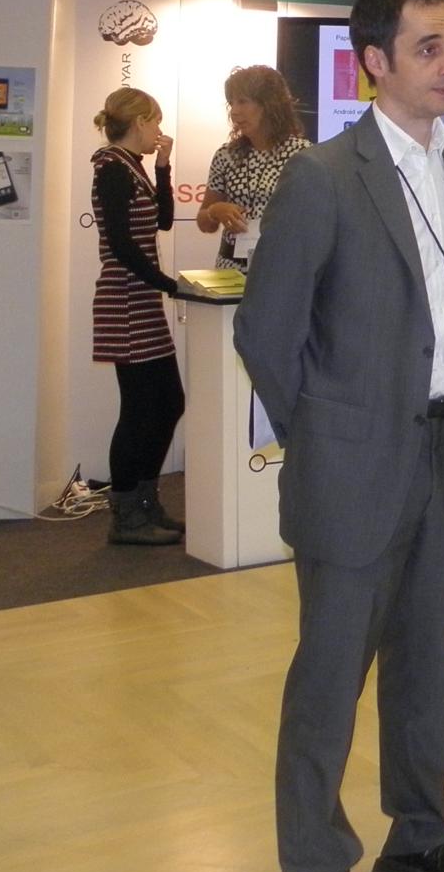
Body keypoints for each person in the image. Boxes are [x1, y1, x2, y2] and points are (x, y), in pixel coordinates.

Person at [235, 0, 444, 872]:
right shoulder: (321, 177)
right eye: (428, 46)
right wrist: (324, 436)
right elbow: (265, 332)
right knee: (330, 674)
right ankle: (315, 867)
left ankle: (420, 837)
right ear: (375, 63)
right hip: (351, 465)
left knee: (426, 658)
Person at [90, 87, 186, 547]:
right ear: (140, 122)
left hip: (141, 299)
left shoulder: (133, 165)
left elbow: (162, 220)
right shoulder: (111, 167)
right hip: (125, 301)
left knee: (167, 402)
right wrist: (169, 284)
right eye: (156, 122)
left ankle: (146, 503)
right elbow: (122, 246)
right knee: (139, 410)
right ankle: (127, 514)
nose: (159, 132)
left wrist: (163, 167)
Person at [198, 64, 311, 271]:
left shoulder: (302, 155)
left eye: (243, 101)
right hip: (230, 268)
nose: (234, 112)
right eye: (231, 103)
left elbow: (317, 223)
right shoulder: (226, 155)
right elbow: (204, 223)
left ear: (269, 104)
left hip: (281, 268)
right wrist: (215, 211)